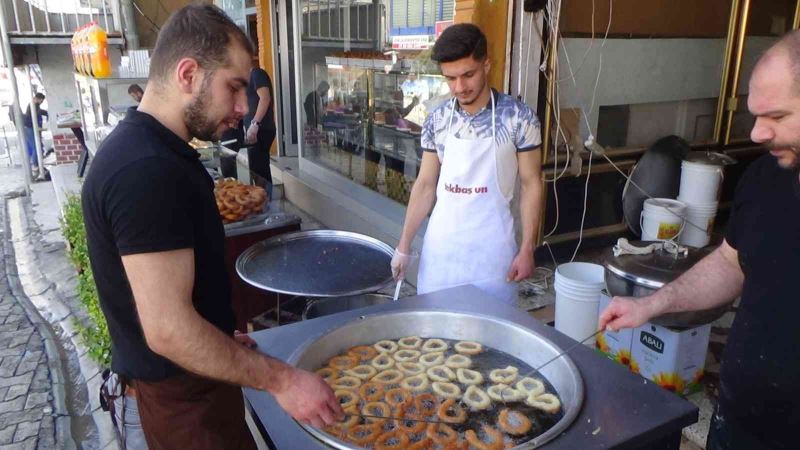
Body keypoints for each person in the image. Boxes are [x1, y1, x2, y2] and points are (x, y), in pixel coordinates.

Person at [81, 5, 342, 450]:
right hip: (183, 406)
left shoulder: (150, 151)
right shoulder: (146, 170)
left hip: (193, 387)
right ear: (187, 74)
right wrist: (283, 380)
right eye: (234, 87)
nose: (243, 108)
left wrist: (218, 336)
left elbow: (164, 302)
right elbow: (167, 329)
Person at [598, 31, 800, 450]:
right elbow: (731, 264)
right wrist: (650, 305)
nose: (759, 134)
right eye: (755, 115)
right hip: (740, 423)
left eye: (777, 118)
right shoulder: (766, 179)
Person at [391, 24, 543, 304]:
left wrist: (527, 248)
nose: (459, 87)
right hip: (442, 254)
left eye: (468, 75)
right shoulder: (436, 119)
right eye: (450, 79)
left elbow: (531, 183)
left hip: (492, 256)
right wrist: (403, 245)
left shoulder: (519, 118)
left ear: (486, 64)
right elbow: (425, 186)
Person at [243, 57, 276, 199]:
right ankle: (262, 200)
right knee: (256, 167)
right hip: (255, 130)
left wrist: (254, 124)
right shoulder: (248, 77)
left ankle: (266, 201)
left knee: (259, 169)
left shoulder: (257, 73)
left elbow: (265, 98)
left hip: (262, 130)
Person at [23, 92, 48, 173]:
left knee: (37, 146)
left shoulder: (32, 104)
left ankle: (36, 163)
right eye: (42, 101)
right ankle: (35, 165)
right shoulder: (34, 104)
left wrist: (46, 113)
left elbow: (39, 112)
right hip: (29, 128)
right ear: (39, 99)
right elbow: (38, 114)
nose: (42, 102)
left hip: (29, 128)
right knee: (36, 146)